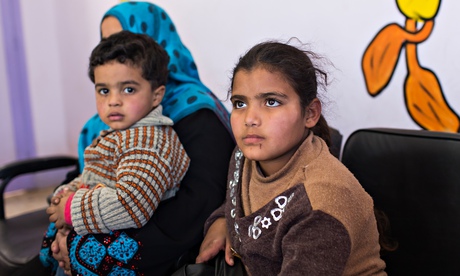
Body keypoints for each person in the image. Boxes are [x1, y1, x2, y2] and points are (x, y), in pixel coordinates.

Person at [13, 2, 234, 276]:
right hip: (89, 225)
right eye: (107, 41)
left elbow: (193, 206)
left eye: (128, 40)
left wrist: (82, 246)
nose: (117, 49)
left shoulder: (193, 115)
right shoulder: (116, 118)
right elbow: (91, 170)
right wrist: (64, 216)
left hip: (143, 247)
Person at [196, 41, 387, 275]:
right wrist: (222, 221)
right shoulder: (244, 155)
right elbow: (243, 201)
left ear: (310, 113)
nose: (250, 119)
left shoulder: (320, 202)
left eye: (271, 102)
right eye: (240, 103)